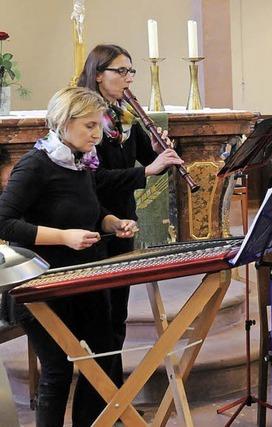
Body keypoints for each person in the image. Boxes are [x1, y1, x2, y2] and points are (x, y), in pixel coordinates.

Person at [0, 87, 138, 426]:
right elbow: (4, 221)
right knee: (58, 372)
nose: (98, 134)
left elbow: (88, 208)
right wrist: (63, 237)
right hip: (45, 285)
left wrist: (111, 221)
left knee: (102, 360)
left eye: (99, 125)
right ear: (64, 122)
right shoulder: (36, 165)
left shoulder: (81, 161)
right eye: (90, 125)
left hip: (86, 279)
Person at [77, 44, 183, 387]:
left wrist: (157, 150)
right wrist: (149, 169)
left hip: (123, 220)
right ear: (98, 75)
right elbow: (92, 178)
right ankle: (99, 392)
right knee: (99, 314)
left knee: (118, 312)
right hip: (93, 221)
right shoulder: (84, 119)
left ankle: (114, 389)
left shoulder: (123, 114)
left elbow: (145, 157)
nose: (128, 78)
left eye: (130, 71)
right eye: (120, 71)